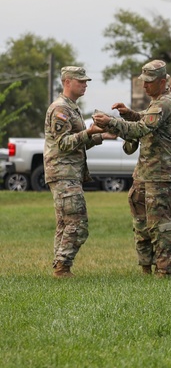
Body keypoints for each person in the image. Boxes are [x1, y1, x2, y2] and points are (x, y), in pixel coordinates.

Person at [93, 60, 171, 278]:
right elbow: (144, 119)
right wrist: (129, 114)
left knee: (161, 224)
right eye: (143, 81)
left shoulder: (165, 103)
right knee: (144, 224)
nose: (144, 86)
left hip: (161, 175)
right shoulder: (157, 103)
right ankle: (150, 268)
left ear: (162, 82)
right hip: (148, 174)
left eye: (149, 82)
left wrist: (111, 122)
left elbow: (143, 127)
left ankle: (168, 271)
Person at [44, 66, 109, 278]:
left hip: (69, 173)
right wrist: (88, 132)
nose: (85, 84)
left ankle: (60, 267)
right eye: (81, 81)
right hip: (63, 174)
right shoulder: (60, 110)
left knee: (65, 224)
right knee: (78, 223)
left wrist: (100, 136)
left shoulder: (72, 108)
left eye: (86, 81)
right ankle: (62, 267)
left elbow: (76, 143)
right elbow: (63, 144)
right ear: (67, 81)